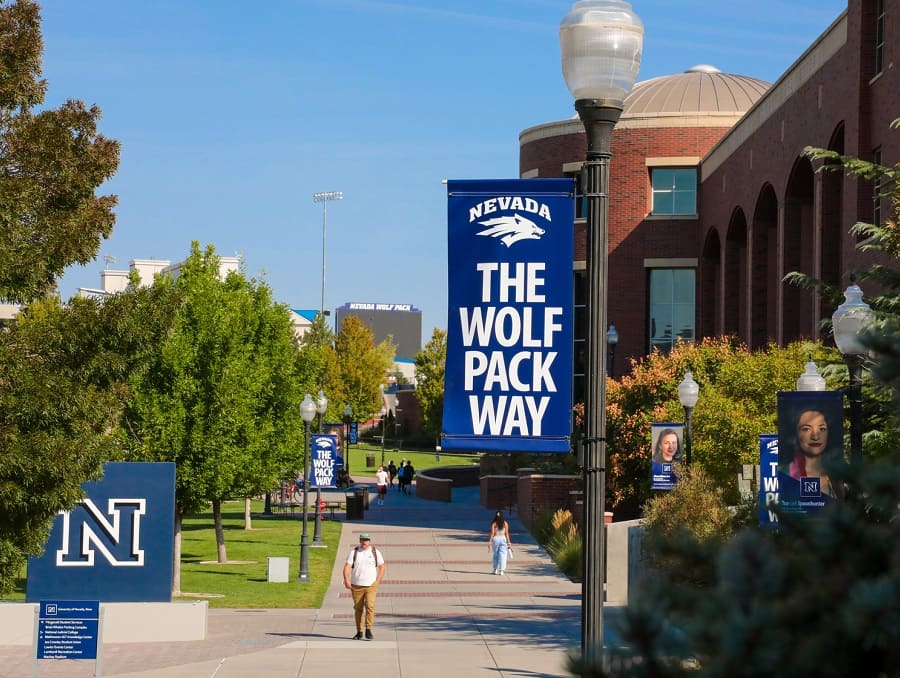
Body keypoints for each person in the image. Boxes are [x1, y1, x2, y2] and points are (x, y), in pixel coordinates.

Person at [779, 407, 842, 500]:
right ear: (795, 434)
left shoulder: (835, 469)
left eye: (822, 429)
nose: (815, 436)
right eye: (806, 429)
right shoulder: (784, 471)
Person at [342, 532, 385, 640]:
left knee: (370, 606)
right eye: (362, 540)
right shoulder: (354, 552)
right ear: (360, 541)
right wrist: (346, 579)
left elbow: (382, 566)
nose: (364, 542)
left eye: (366, 540)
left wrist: (378, 580)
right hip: (356, 585)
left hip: (371, 585)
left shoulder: (375, 552)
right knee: (358, 608)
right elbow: (347, 566)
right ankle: (359, 631)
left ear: (369, 541)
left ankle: (368, 629)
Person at [489, 511, 511, 575]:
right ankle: (501, 571)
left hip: (496, 538)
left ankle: (495, 569)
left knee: (496, 554)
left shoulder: (494, 523)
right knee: (503, 555)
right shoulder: (505, 523)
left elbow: (492, 533)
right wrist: (509, 542)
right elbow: (507, 533)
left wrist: (490, 541)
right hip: (503, 538)